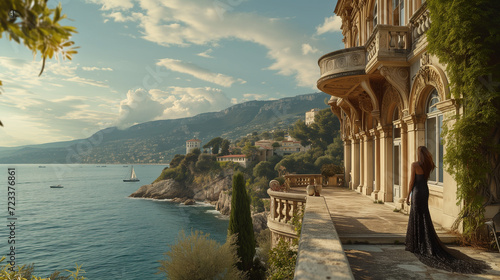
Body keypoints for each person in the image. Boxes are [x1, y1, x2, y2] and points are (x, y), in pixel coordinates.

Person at [405, 146, 488, 273]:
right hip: (425, 191)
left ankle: (416, 244)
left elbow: (411, 182)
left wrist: (407, 196)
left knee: (416, 215)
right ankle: (423, 242)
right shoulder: (429, 165)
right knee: (424, 215)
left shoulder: (414, 165)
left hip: (417, 192)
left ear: (418, 154)